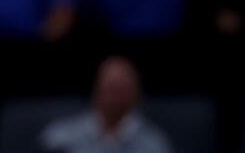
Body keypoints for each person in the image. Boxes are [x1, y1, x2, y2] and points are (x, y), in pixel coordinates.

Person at [39, 56, 172, 153]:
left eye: (122, 89)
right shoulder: (60, 138)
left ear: (136, 94)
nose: (115, 97)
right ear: (96, 90)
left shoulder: (154, 144)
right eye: (111, 88)